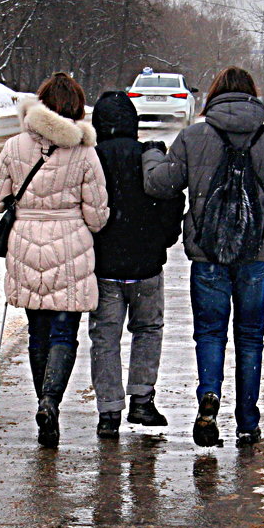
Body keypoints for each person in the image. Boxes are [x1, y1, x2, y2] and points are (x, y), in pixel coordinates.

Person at [142, 66, 264, 448]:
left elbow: (160, 184)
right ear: (253, 97)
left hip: (208, 255)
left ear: (213, 96)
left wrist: (152, 157)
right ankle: (248, 422)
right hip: (253, 256)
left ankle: (209, 397)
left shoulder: (194, 137)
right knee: (250, 337)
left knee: (210, 334)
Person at [0, 72, 109, 448]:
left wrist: (26, 206)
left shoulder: (14, 146)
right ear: (75, 108)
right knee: (63, 333)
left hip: (25, 244)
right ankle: (50, 402)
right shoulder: (85, 153)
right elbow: (98, 216)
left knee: (37, 332)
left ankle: (43, 405)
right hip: (70, 246)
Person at [87, 90, 185, 439]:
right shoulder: (150, 157)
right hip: (146, 266)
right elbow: (173, 200)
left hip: (105, 267)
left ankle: (109, 411)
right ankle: (142, 399)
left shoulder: (91, 159)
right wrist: (160, 241)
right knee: (147, 330)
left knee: (105, 338)